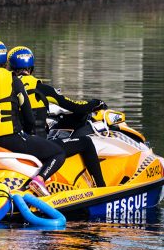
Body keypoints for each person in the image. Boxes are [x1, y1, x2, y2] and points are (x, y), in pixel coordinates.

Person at [0, 39, 65, 197]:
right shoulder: (13, 80)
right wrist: (26, 136)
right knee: (58, 152)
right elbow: (29, 118)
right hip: (12, 141)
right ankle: (40, 179)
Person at [7, 45, 107, 187]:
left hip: (13, 143)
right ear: (31, 68)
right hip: (36, 145)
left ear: (10, 68)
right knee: (86, 142)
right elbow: (76, 106)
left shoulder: (5, 88)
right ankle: (102, 188)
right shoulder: (42, 88)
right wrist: (96, 103)